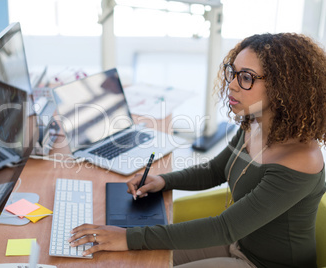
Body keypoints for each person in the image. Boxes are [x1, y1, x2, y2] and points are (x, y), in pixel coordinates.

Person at [68, 33, 326, 267]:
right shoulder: (255, 123)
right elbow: (215, 169)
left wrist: (127, 237)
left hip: (263, 263)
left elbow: (224, 228)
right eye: (232, 72)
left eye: (246, 77)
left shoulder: (301, 161)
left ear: (285, 88)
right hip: (239, 242)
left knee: (138, 253)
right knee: (137, 259)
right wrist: (163, 181)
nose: (233, 85)